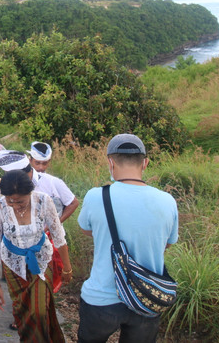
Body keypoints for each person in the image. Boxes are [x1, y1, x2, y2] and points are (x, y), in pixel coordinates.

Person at [77, 134, 178, 343]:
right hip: (146, 298)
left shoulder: (97, 196)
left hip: (101, 299)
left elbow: (87, 230)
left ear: (110, 162)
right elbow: (167, 243)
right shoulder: (167, 201)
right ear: (145, 163)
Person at [0, 169, 72, 342]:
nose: (14, 205)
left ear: (30, 193)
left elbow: (58, 236)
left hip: (41, 261)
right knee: (23, 311)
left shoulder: (43, 201)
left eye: (20, 201)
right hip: (12, 265)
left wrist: (67, 268)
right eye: (9, 200)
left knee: (40, 311)